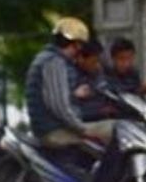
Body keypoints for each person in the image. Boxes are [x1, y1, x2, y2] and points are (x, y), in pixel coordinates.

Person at [23, 17, 115, 149]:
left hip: (51, 128)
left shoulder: (50, 59)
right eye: (81, 44)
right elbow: (59, 106)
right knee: (115, 129)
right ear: (76, 43)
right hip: (54, 131)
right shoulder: (54, 62)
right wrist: (82, 129)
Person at [73, 39, 116, 121]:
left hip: (106, 118)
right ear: (81, 58)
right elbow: (73, 111)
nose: (97, 66)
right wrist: (99, 112)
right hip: (86, 123)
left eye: (99, 61)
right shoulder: (72, 77)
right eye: (94, 62)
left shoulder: (100, 72)